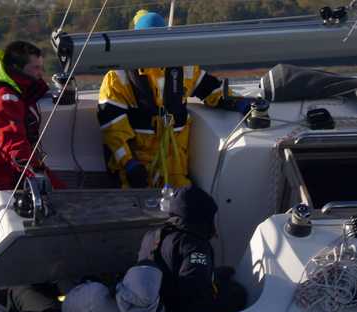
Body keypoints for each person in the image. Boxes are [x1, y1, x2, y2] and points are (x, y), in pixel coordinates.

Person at [97, 10, 253, 189]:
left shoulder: (184, 69)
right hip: (136, 170)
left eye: (160, 40)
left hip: (175, 167)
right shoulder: (118, 77)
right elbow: (112, 128)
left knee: (195, 208)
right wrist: (128, 163)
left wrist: (239, 102)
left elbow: (211, 89)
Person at [137, 185, 246, 312]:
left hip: (157, 299)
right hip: (174, 309)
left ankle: (214, 278)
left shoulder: (154, 235)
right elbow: (191, 288)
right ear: (201, 217)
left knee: (222, 272)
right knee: (237, 292)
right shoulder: (194, 246)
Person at [0, 40, 66, 201]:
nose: (41, 73)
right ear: (17, 68)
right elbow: (11, 141)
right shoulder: (3, 98)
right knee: (56, 200)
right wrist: (33, 173)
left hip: (16, 166)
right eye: (36, 68)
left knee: (65, 196)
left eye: (41, 67)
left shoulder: (20, 92)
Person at [4, 263, 164, 312]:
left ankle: (8, 299)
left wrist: (89, 284)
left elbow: (66, 307)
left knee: (22, 290)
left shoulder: (98, 295)